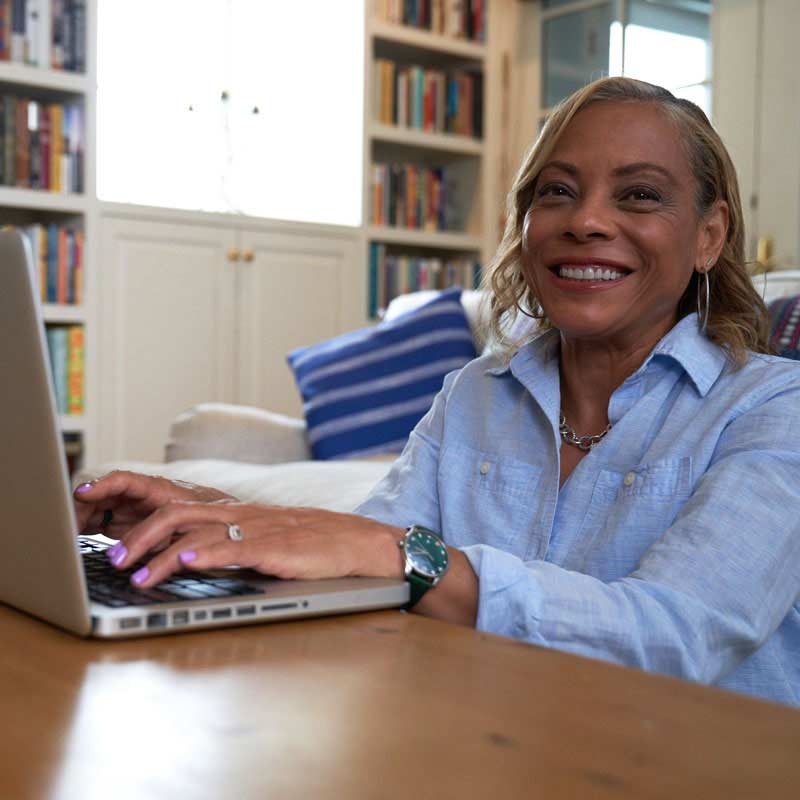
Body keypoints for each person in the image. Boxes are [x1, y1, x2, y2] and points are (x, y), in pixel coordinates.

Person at [74, 77, 800, 706]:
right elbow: (371, 552)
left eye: (639, 195)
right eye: (558, 192)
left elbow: (678, 636)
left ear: (710, 235)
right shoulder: (478, 392)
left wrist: (401, 556)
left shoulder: (774, 408)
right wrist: (214, 515)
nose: (585, 221)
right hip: (484, 742)